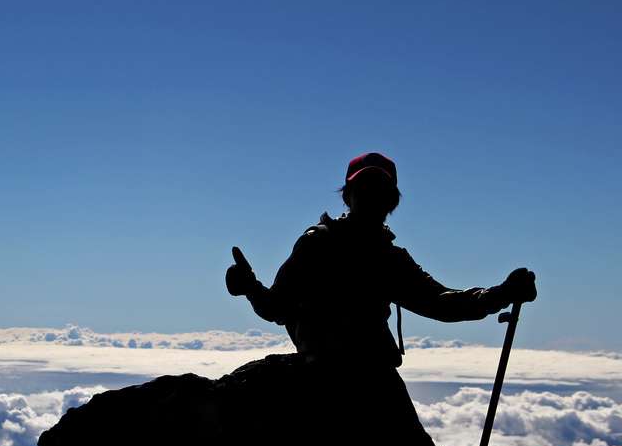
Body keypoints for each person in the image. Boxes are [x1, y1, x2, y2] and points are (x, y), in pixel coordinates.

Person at [225, 152, 537, 369]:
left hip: (357, 377)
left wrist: (499, 294)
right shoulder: (321, 246)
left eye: (379, 190)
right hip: (346, 379)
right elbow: (277, 308)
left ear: (391, 201)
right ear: (348, 196)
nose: (372, 197)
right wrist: (250, 286)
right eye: (364, 189)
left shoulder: (386, 258)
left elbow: (441, 303)